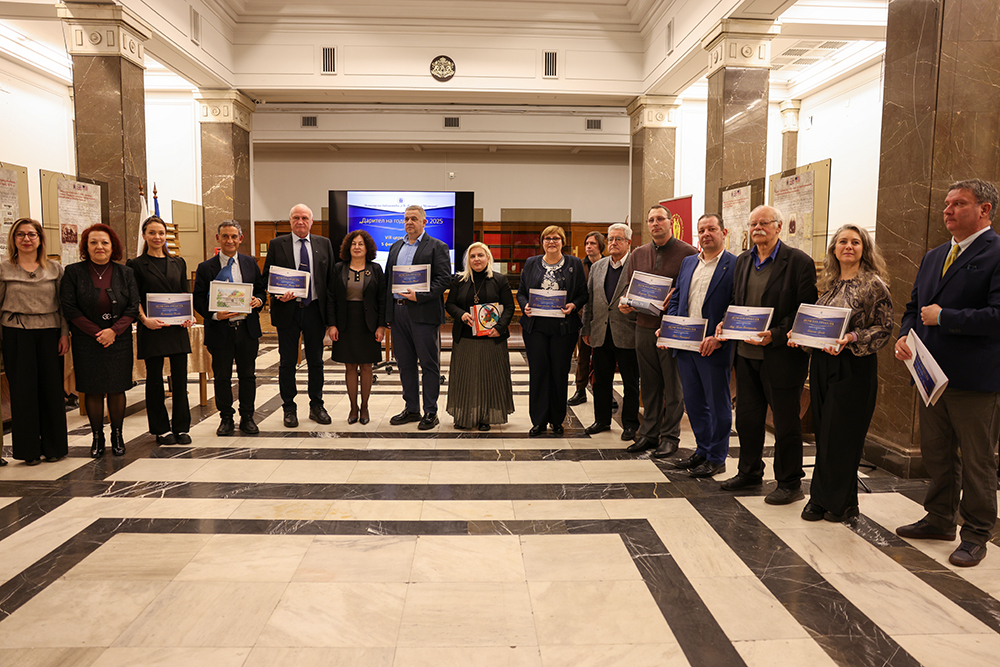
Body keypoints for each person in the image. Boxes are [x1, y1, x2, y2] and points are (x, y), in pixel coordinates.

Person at [894, 178, 1000, 567]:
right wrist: (904, 335)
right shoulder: (935, 255)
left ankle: (976, 534)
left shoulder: (996, 253)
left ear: (985, 209)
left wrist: (945, 318)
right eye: (946, 204)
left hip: (974, 380)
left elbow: (997, 316)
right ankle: (940, 519)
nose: (947, 210)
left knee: (977, 461)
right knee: (937, 454)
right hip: (929, 376)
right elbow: (914, 306)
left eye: (958, 204)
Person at [715, 205, 818, 504]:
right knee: (747, 420)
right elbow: (737, 300)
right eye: (753, 224)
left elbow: (804, 310)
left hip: (781, 357)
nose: (758, 228)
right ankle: (749, 472)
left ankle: (790, 482)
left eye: (764, 223)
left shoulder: (799, 262)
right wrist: (726, 321)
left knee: (785, 423)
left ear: (779, 227)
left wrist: (775, 334)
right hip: (746, 355)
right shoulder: (743, 260)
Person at [790, 225, 892, 520]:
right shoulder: (830, 283)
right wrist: (800, 336)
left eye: (855, 242)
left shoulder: (874, 284)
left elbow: (884, 328)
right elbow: (818, 323)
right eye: (843, 242)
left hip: (854, 366)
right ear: (834, 249)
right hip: (823, 364)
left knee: (842, 436)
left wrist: (852, 338)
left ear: (864, 249)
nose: (849, 246)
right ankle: (833, 501)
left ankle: (832, 502)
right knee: (825, 433)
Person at [622, 206, 698, 457]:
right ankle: (649, 433)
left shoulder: (689, 253)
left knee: (673, 386)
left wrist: (676, 294)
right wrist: (626, 302)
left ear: (670, 222)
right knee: (649, 384)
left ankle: (670, 436)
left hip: (672, 329)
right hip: (643, 326)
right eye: (651, 220)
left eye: (660, 219)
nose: (655, 223)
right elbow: (630, 286)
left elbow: (694, 289)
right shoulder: (638, 253)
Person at [665, 213, 736, 478]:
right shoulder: (688, 262)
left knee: (717, 405)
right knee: (694, 403)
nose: (706, 234)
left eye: (711, 229)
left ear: (723, 232)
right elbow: (677, 298)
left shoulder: (735, 264)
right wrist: (669, 327)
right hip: (685, 345)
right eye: (702, 230)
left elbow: (737, 305)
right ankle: (703, 450)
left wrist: (720, 337)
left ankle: (717, 457)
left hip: (713, 347)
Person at [60, 224, 140, 458]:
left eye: (104, 242)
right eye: (93, 242)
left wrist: (113, 331)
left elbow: (133, 306)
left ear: (113, 246)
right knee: (92, 390)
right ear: (86, 246)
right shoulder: (73, 272)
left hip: (119, 340)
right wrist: (98, 333)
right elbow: (69, 307)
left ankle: (117, 435)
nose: (99, 247)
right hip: (87, 340)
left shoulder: (126, 272)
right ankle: (97, 437)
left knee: (116, 389)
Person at [0, 218, 69, 465]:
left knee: (51, 390)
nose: (26, 239)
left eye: (31, 234)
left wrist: (64, 333)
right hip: (16, 334)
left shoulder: (55, 269)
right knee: (23, 392)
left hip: (50, 333)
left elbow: (63, 306)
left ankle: (54, 447)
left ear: (40, 239)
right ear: (13, 239)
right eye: (20, 234)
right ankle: (28, 450)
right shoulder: (4, 269)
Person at [264, 204, 338, 428]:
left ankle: (317, 406)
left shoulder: (324, 244)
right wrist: (277, 294)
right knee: (287, 362)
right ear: (290, 221)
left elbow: (331, 282)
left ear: (311, 221)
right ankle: (289, 408)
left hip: (315, 310)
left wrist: (331, 319)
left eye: (305, 218)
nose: (300, 221)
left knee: (316, 361)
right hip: (288, 310)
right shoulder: (277, 244)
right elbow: (267, 278)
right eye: (296, 217)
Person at [193, 221, 266, 436]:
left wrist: (259, 301)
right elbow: (198, 299)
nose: (229, 240)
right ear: (218, 238)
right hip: (220, 331)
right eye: (225, 236)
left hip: (246, 330)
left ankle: (247, 417)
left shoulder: (250, 263)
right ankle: (226, 418)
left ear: (240, 239)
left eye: (234, 236)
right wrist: (215, 315)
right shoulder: (206, 268)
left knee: (248, 376)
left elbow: (260, 290)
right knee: (222, 376)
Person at [126, 215, 193, 445]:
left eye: (161, 233)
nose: (157, 237)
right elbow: (134, 298)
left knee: (180, 380)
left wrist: (188, 316)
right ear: (144, 235)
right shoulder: (135, 265)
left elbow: (183, 294)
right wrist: (144, 320)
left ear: (166, 236)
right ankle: (161, 429)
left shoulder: (178, 263)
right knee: (154, 380)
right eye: (152, 233)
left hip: (176, 329)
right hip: (152, 328)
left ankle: (182, 427)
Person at [384, 205, 452, 430]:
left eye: (414, 218)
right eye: (406, 219)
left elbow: (444, 279)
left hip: (423, 312)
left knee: (429, 364)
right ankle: (412, 409)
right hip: (398, 313)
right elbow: (388, 281)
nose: (409, 222)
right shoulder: (395, 247)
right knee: (405, 364)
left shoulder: (437, 246)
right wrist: (387, 315)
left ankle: (430, 411)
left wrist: (419, 296)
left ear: (424, 222)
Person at [516, 225, 588, 436]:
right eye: (547, 238)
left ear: (563, 242)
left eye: (556, 238)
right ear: (542, 242)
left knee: (559, 372)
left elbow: (583, 294)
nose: (551, 242)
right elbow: (521, 293)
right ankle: (538, 421)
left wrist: (574, 305)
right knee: (538, 373)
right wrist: (525, 306)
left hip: (563, 329)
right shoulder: (531, 263)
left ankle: (557, 420)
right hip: (535, 327)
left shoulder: (574, 263)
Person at [445, 242, 515, 430]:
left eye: (480, 255)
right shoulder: (459, 280)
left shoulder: (499, 280)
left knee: (489, 378)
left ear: (488, 258)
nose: (477, 259)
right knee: (466, 379)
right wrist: (461, 314)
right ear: (468, 260)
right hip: (465, 338)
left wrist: (500, 327)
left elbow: (509, 307)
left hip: (492, 339)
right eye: (473, 256)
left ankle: (485, 417)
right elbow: (450, 304)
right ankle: (465, 416)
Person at [580, 223, 639, 440]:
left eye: (618, 239)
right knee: (601, 381)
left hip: (627, 333)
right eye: (611, 239)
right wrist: (586, 328)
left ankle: (630, 424)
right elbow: (590, 301)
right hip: (600, 333)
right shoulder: (598, 267)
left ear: (628, 243)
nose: (613, 243)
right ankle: (602, 420)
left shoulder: (637, 266)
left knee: (630, 382)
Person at [330, 230, 385, 425]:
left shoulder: (376, 269)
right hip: (345, 323)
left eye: (361, 244)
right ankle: (353, 407)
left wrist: (381, 326)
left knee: (367, 365)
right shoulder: (339, 268)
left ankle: (365, 406)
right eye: (353, 244)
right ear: (348, 247)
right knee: (350, 366)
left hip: (368, 324)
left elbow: (382, 300)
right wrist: (332, 325)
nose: (357, 247)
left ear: (367, 247)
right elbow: (331, 298)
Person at [568, 230, 605, 407]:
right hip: (583, 316)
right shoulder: (579, 266)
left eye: (593, 243)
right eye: (587, 244)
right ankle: (580, 390)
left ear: (600, 246)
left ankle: (603, 391)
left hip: (604, 317)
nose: (589, 247)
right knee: (583, 355)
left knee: (603, 357)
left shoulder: (608, 264)